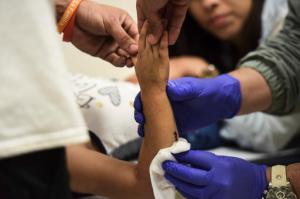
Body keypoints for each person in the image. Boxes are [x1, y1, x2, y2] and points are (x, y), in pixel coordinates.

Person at [135, 0, 300, 197]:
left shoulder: (277, 14)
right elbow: (294, 56)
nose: (208, 3)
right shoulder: (207, 40)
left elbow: (145, 188)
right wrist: (227, 94)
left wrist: (273, 181)